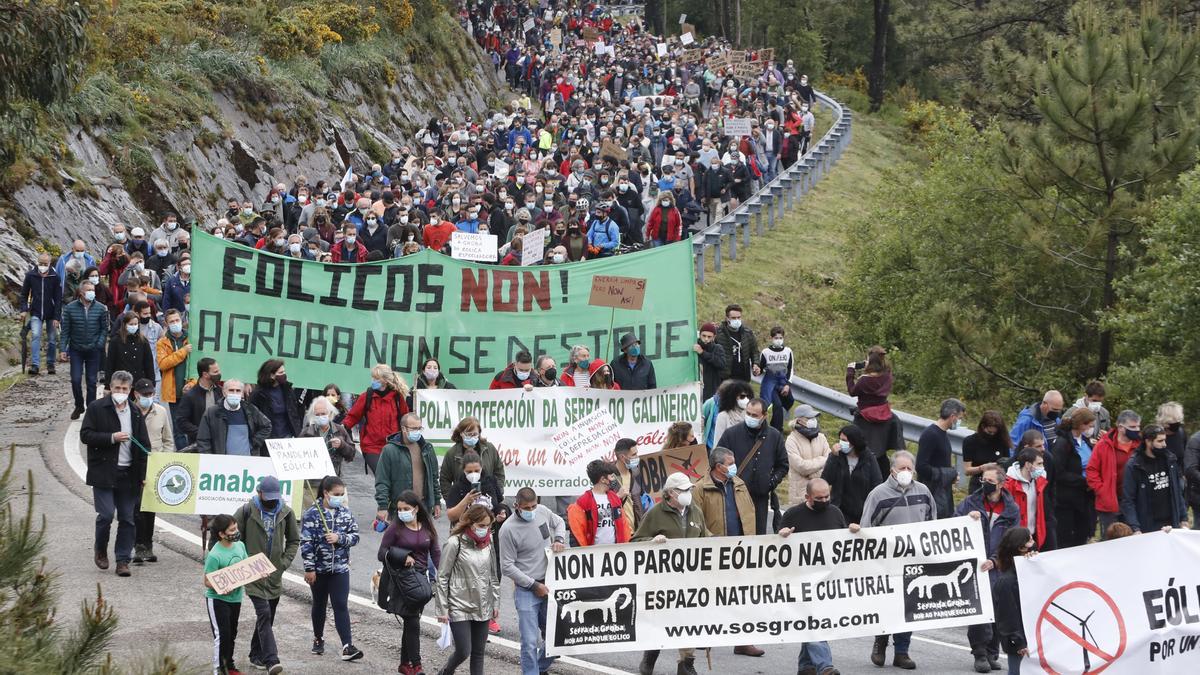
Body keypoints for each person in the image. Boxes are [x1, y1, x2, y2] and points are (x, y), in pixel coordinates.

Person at [856, 451, 934, 670]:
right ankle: (880, 642)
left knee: (909, 606)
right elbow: (867, 527)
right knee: (887, 604)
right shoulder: (878, 494)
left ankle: (902, 651)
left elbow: (932, 523)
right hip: (886, 563)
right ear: (892, 470)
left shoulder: (924, 492)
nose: (906, 472)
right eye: (902, 468)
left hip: (914, 561)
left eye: (910, 469)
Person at [632, 473, 708, 675]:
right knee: (660, 621)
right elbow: (635, 541)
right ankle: (650, 657)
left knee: (688, 621)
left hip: (690, 580)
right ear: (671, 493)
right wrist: (652, 541)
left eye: (689, 489)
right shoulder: (656, 513)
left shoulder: (695, 512)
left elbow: (706, 539)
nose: (688, 493)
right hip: (663, 581)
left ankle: (686, 663)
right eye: (683, 490)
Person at [80, 370, 150, 577]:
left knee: (128, 518)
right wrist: (111, 437)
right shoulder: (96, 408)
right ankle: (100, 548)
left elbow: (144, 446)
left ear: (131, 391)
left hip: (129, 474)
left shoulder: (136, 412)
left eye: (125, 389)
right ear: (111, 388)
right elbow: (86, 435)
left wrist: (144, 474)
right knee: (106, 515)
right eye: (117, 388)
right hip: (103, 471)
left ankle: (122, 560)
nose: (121, 392)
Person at [233, 477, 300, 675]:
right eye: (266, 496)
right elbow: (232, 538)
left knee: (267, 617)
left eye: (274, 497)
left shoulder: (286, 513)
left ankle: (255, 654)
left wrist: (284, 563)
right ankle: (272, 660)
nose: (270, 500)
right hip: (252, 573)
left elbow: (294, 540)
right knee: (264, 613)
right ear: (259, 492)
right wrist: (244, 564)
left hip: (274, 575)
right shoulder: (245, 512)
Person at [955, 466, 1019, 673]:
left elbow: (1011, 540)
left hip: (998, 565)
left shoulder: (1011, 509)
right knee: (980, 610)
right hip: (975, 565)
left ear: (1001, 484)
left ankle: (993, 651)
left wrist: (995, 560)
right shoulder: (970, 502)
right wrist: (966, 519)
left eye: (990, 480)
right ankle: (980, 652)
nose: (985, 483)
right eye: (983, 479)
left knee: (998, 610)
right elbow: (952, 525)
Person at [778, 478, 845, 675]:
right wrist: (781, 535)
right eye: (819, 498)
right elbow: (777, 551)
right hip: (801, 582)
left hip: (827, 582)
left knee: (815, 621)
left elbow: (844, 545)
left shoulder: (835, 513)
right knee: (814, 622)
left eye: (827, 496)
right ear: (808, 497)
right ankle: (825, 667)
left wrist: (854, 532)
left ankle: (806, 666)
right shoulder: (793, 515)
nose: (824, 500)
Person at [499, 488, 567, 675]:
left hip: (550, 585)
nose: (531, 510)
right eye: (527, 507)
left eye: (534, 506)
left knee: (560, 634)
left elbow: (560, 521)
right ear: (517, 506)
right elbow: (506, 566)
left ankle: (538, 668)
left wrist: (559, 538)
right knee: (529, 641)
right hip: (527, 590)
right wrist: (533, 585)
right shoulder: (508, 530)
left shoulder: (543, 512)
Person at [301, 475, 364, 661]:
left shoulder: (345, 513)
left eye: (342, 494)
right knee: (319, 604)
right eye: (336, 494)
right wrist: (309, 568)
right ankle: (318, 639)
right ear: (326, 493)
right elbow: (306, 543)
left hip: (340, 569)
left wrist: (340, 538)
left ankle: (347, 646)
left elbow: (355, 536)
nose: (340, 497)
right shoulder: (312, 514)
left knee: (340, 605)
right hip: (319, 571)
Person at [435, 504, 502, 675]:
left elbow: (493, 576)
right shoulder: (454, 542)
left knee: (479, 653)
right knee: (464, 651)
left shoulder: (489, 543)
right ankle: (445, 672)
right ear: (470, 523)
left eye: (488, 525)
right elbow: (442, 577)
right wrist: (442, 608)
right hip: (459, 604)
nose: (485, 529)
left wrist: (495, 602)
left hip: (483, 604)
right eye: (481, 525)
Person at [379, 490, 440, 675]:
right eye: (399, 509)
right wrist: (402, 556)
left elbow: (436, 553)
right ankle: (416, 665)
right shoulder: (395, 528)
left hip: (420, 581)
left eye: (406, 508)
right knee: (412, 621)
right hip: (401, 580)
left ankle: (405, 664)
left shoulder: (427, 527)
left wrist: (444, 575)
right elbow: (382, 553)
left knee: (411, 621)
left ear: (415, 509)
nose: (402, 512)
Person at [716, 398, 788, 534]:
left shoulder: (774, 436)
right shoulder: (731, 434)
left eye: (754, 415)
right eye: (748, 413)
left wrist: (771, 482)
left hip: (760, 499)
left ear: (764, 416)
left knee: (757, 539)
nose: (750, 417)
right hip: (734, 497)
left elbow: (783, 464)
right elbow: (716, 461)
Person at [131, 378, 173, 564]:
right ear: (136, 394)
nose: (148, 397)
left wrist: (166, 461)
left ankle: (147, 545)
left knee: (150, 508)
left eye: (151, 394)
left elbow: (168, 440)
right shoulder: (129, 412)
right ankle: (136, 545)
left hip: (155, 464)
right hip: (133, 464)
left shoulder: (161, 411)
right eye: (144, 394)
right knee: (136, 506)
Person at [1120, 424, 1190, 533]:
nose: (1164, 445)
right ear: (1148, 441)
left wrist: (1183, 518)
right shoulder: (1134, 465)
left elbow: (1177, 492)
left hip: (1171, 522)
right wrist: (1135, 527)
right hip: (1148, 525)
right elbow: (1128, 500)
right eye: (1160, 441)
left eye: (1164, 440)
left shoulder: (1170, 460)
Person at [343, 364, 411, 473]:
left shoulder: (397, 398)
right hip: (371, 446)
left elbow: (406, 418)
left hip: (394, 446)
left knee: (392, 479)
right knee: (381, 475)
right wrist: (341, 428)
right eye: (373, 377)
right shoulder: (366, 396)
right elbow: (353, 416)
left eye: (376, 378)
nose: (373, 380)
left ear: (385, 380)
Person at [375, 413, 442, 522]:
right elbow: (382, 480)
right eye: (414, 428)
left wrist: (437, 502)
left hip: (423, 507)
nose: (418, 431)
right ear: (403, 429)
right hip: (400, 509)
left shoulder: (427, 449)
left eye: (420, 428)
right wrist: (382, 506)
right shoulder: (389, 450)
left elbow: (434, 478)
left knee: (424, 539)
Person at [204, 514, 249, 675]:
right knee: (222, 635)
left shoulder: (240, 546)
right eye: (232, 530)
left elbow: (246, 566)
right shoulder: (215, 555)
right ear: (221, 534)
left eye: (236, 528)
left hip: (235, 598)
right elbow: (207, 581)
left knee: (232, 633)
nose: (236, 532)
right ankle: (219, 669)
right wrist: (221, 587)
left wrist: (259, 572)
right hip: (217, 600)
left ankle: (229, 665)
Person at [1086, 409, 1140, 538]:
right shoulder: (1104, 444)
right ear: (1121, 428)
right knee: (1109, 540)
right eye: (1132, 427)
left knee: (1133, 538)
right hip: (1109, 501)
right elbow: (1091, 470)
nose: (1137, 430)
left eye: (1138, 426)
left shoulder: (1140, 445)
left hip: (1133, 501)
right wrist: (1102, 490)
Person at [62, 281, 110, 419]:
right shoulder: (70, 308)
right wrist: (63, 349)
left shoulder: (101, 308)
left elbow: (104, 329)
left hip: (93, 349)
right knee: (76, 380)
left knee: (91, 381)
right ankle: (78, 404)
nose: (91, 292)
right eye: (88, 290)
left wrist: (99, 344)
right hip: (76, 349)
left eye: (93, 290)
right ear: (81, 292)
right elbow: (65, 331)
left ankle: (91, 408)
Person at [820, 425, 883, 527]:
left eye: (844, 440)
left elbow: (877, 483)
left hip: (862, 511)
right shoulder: (836, 456)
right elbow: (826, 479)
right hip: (840, 509)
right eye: (840, 439)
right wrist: (834, 457)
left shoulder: (868, 458)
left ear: (854, 442)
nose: (841, 443)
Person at [1051, 408, 1096, 547]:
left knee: (1083, 534)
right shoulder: (1062, 443)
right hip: (1067, 500)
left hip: (1085, 498)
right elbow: (1058, 472)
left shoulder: (1086, 441)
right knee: (1067, 538)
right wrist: (1083, 481)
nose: (1091, 428)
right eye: (1090, 425)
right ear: (1082, 424)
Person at [992, 528, 1035, 675]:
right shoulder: (1006, 582)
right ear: (1021, 547)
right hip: (1019, 642)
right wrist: (1019, 642)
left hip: (1032, 636)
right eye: (1030, 540)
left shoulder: (1029, 571)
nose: (1034, 543)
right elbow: (1007, 617)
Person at [916, 398, 966, 518]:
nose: (959, 422)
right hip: (931, 492)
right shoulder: (931, 434)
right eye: (960, 418)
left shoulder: (942, 433)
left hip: (941, 490)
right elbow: (921, 467)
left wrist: (950, 476)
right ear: (953, 416)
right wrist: (948, 474)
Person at [196, 380, 272, 456]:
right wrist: (209, 459)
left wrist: (253, 443)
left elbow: (267, 426)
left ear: (242, 393)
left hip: (247, 463)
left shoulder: (250, 409)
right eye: (231, 390)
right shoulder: (212, 413)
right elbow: (203, 440)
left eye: (238, 391)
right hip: (222, 463)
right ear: (224, 392)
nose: (234, 393)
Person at [439, 416, 505, 499]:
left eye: (475, 434)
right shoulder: (452, 453)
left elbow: (499, 472)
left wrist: (496, 492)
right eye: (469, 434)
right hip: (462, 502)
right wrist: (451, 500)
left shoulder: (489, 449)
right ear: (461, 433)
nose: (472, 437)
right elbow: (445, 479)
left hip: (488, 500)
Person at [568, 460, 630, 547]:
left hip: (616, 551)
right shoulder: (583, 503)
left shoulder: (615, 498)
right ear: (603, 479)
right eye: (612, 476)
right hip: (594, 554)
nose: (614, 479)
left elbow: (624, 526)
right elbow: (577, 532)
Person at [19, 252, 62, 376]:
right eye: (40, 263)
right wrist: (23, 309)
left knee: (52, 339)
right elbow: (24, 294)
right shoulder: (30, 275)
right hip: (36, 311)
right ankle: (35, 365)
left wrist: (57, 317)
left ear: (49, 264)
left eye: (45, 264)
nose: (42, 266)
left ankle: (50, 364)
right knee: (36, 335)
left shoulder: (55, 277)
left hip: (51, 313)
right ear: (37, 262)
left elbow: (58, 298)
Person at [1003, 448, 1054, 551]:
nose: (1042, 467)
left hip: (1034, 535)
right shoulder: (1009, 485)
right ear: (1028, 465)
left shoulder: (1039, 481)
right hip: (1016, 538)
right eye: (1039, 464)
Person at [155, 308, 191, 449]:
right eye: (172, 321)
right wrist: (183, 352)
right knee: (178, 429)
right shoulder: (162, 343)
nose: (175, 323)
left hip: (191, 390)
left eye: (177, 320)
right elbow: (163, 364)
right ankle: (184, 455)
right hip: (173, 392)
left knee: (194, 425)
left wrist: (192, 384)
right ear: (166, 323)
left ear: (182, 321)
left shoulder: (191, 338)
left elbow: (197, 366)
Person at [786, 405, 832, 506]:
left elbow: (830, 461)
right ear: (799, 421)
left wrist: (811, 474)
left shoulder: (821, 437)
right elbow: (802, 467)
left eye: (814, 418)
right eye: (809, 418)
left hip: (820, 495)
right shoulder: (791, 440)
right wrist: (822, 460)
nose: (813, 420)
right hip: (800, 496)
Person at [298, 396, 356, 476]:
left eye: (323, 414)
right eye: (317, 415)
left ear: (330, 413)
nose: (320, 417)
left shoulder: (340, 430)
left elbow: (351, 454)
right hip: (312, 479)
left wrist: (341, 445)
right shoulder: (306, 433)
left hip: (333, 479)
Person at [249, 359, 303, 440]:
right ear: (271, 375)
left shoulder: (287, 390)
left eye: (284, 372)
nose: (284, 375)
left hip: (287, 436)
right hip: (268, 438)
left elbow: (294, 413)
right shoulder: (258, 394)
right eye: (280, 373)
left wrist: (297, 433)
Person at [962, 411, 1012, 493]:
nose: (992, 435)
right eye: (989, 432)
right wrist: (982, 468)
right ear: (982, 427)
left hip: (998, 484)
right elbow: (967, 470)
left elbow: (1007, 463)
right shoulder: (970, 441)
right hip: (978, 483)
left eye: (994, 433)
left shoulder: (1002, 440)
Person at [176, 357, 222, 446]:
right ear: (205, 374)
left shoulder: (220, 392)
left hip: (219, 443)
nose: (219, 374)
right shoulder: (190, 395)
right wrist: (201, 433)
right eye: (215, 372)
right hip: (198, 445)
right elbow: (181, 421)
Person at [756, 326, 794, 432]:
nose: (778, 340)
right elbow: (761, 367)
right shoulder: (765, 352)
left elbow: (790, 369)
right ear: (771, 338)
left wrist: (787, 385)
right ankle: (777, 429)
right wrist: (757, 370)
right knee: (776, 404)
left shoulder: (788, 351)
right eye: (776, 338)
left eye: (780, 338)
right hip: (770, 381)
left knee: (789, 401)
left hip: (783, 381)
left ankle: (776, 425)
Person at [105, 311, 156, 386]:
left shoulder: (143, 341)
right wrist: (107, 384)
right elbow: (110, 364)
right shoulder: (115, 341)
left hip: (139, 382)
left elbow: (148, 364)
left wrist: (151, 383)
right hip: (121, 383)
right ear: (125, 325)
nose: (134, 326)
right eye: (131, 324)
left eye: (135, 324)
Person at [715, 304, 758, 382]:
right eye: (733, 318)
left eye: (739, 317)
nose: (737, 320)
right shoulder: (719, 334)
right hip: (725, 378)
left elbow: (754, 351)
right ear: (727, 318)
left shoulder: (747, 333)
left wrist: (756, 364)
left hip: (743, 376)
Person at [708, 379, 753, 448]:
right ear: (733, 397)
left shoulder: (750, 415)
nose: (746, 399)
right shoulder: (723, 416)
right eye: (742, 396)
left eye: (748, 396)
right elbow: (718, 442)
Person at [694, 322, 727, 401]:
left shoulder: (717, 348)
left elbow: (721, 364)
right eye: (704, 336)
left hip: (712, 389)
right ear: (700, 335)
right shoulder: (695, 346)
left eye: (709, 337)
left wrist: (703, 353)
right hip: (695, 387)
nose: (706, 339)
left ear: (714, 337)